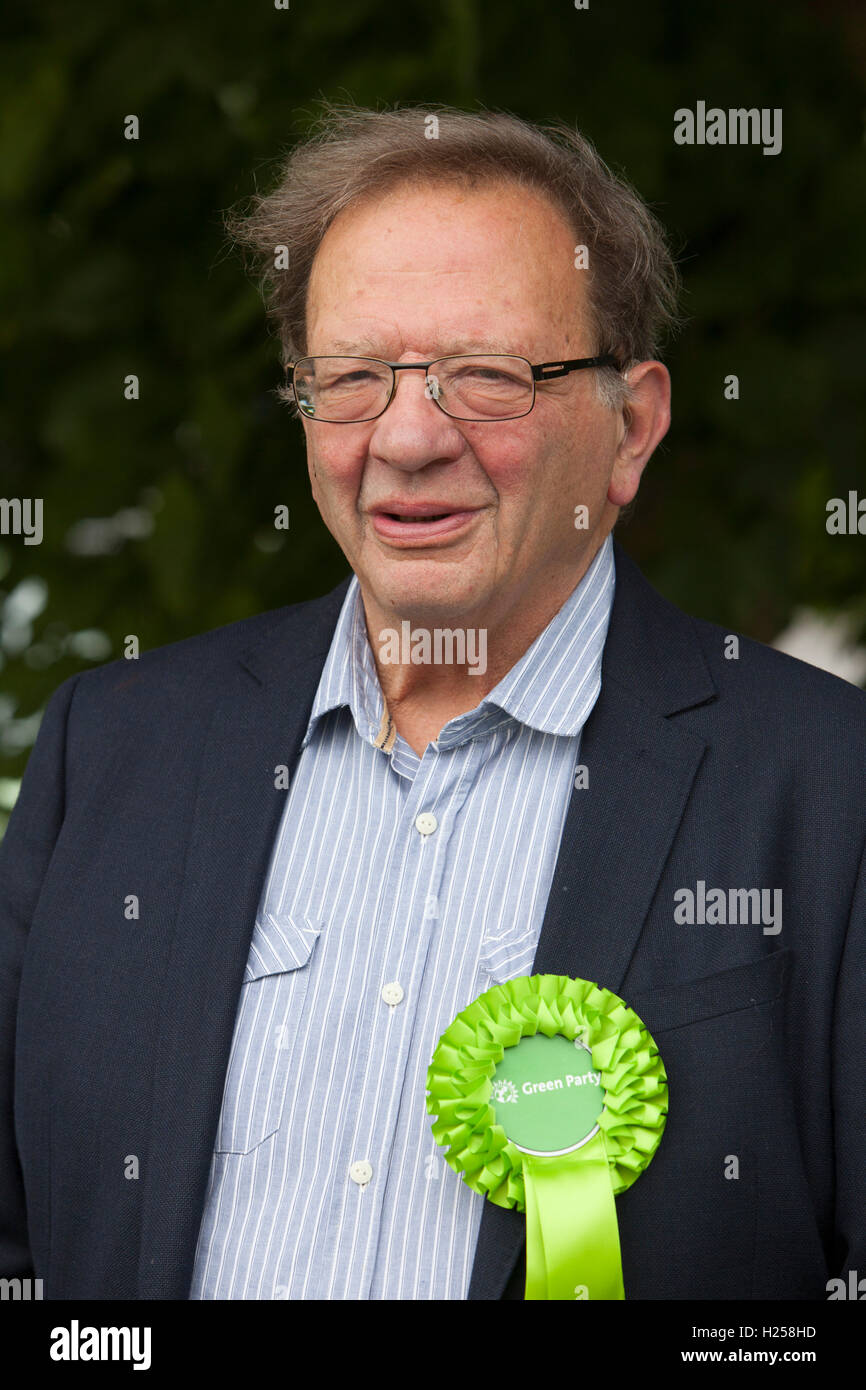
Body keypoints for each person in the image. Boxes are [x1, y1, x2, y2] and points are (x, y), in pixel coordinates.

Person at [1, 103, 863, 1302]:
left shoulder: (826, 785)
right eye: (350, 377)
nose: (405, 436)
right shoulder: (114, 747)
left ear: (632, 426)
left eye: (485, 377)